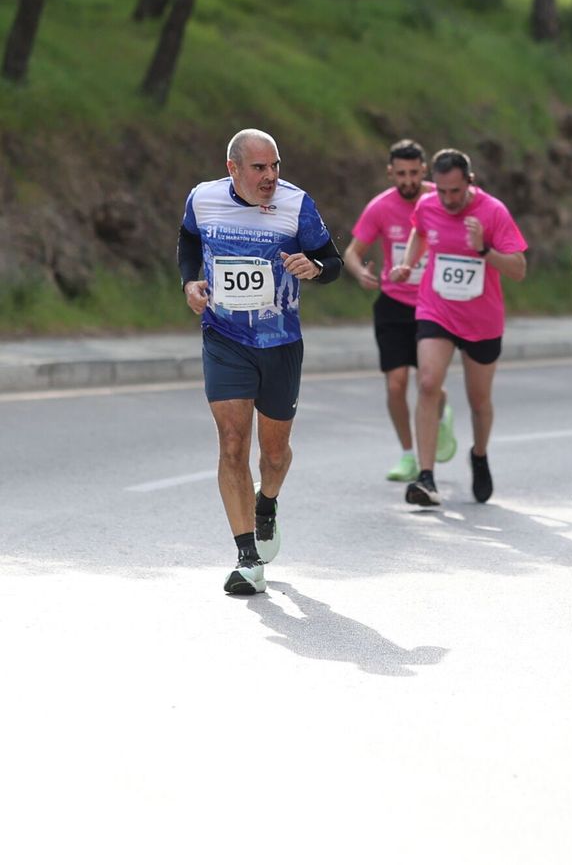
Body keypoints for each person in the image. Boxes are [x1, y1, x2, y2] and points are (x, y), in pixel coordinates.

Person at [177, 129, 343, 595]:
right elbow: (189, 242)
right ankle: (247, 557)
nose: (270, 176)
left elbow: (332, 262)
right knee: (232, 444)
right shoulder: (203, 199)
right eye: (259, 168)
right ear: (233, 168)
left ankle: (266, 502)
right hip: (224, 338)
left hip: (280, 343)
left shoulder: (296, 204)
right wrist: (190, 283)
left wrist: (316, 269)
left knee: (273, 454)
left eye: (275, 166)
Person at [390, 149, 528, 506]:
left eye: (455, 191)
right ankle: (426, 477)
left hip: (482, 320)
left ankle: (479, 455)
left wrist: (484, 249)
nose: (448, 200)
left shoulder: (493, 212)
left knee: (478, 401)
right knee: (428, 382)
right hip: (437, 308)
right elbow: (419, 234)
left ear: (470, 181)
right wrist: (407, 264)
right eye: (442, 191)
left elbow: (518, 268)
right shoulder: (428, 204)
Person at [345, 140, 458, 483]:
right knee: (396, 385)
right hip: (394, 303)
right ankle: (408, 454)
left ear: (424, 170)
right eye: (401, 174)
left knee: (428, 381)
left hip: (435, 302)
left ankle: (440, 413)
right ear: (390, 173)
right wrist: (360, 271)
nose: (408, 180)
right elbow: (352, 250)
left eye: (414, 173)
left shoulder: (442, 197)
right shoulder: (380, 207)